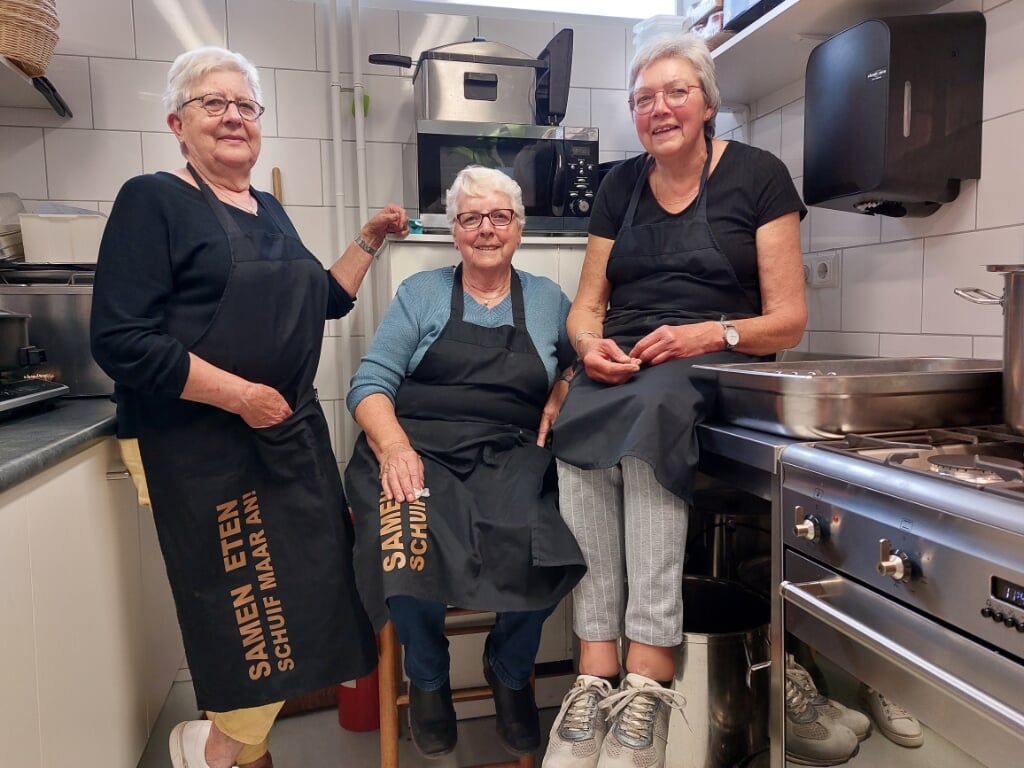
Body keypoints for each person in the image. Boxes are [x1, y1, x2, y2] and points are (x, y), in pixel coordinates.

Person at [89, 46, 409, 768]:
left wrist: (370, 239)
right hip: (196, 445)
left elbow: (320, 300)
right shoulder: (153, 200)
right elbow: (120, 338)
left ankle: (222, 748)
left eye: (245, 105)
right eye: (213, 103)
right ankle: (224, 749)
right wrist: (239, 395)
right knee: (250, 610)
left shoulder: (266, 208)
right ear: (178, 122)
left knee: (314, 596)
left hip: (281, 434)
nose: (233, 116)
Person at [543, 33, 808, 768]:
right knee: (579, 411)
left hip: (717, 363)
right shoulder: (619, 186)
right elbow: (586, 307)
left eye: (675, 92)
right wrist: (586, 348)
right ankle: (595, 674)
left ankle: (649, 672)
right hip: (625, 360)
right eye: (643, 98)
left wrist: (706, 334)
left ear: (707, 103)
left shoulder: (758, 175)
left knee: (649, 411)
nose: (659, 108)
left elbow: (787, 320)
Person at [343, 165, 585, 759]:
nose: (485, 229)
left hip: (508, 454)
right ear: (454, 231)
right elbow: (369, 384)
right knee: (403, 540)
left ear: (519, 229)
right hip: (416, 449)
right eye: (471, 218)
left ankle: (508, 666)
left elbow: (584, 357)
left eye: (499, 217)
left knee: (549, 542)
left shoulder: (549, 299)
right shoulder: (420, 294)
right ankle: (427, 678)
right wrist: (394, 447)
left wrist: (565, 385)